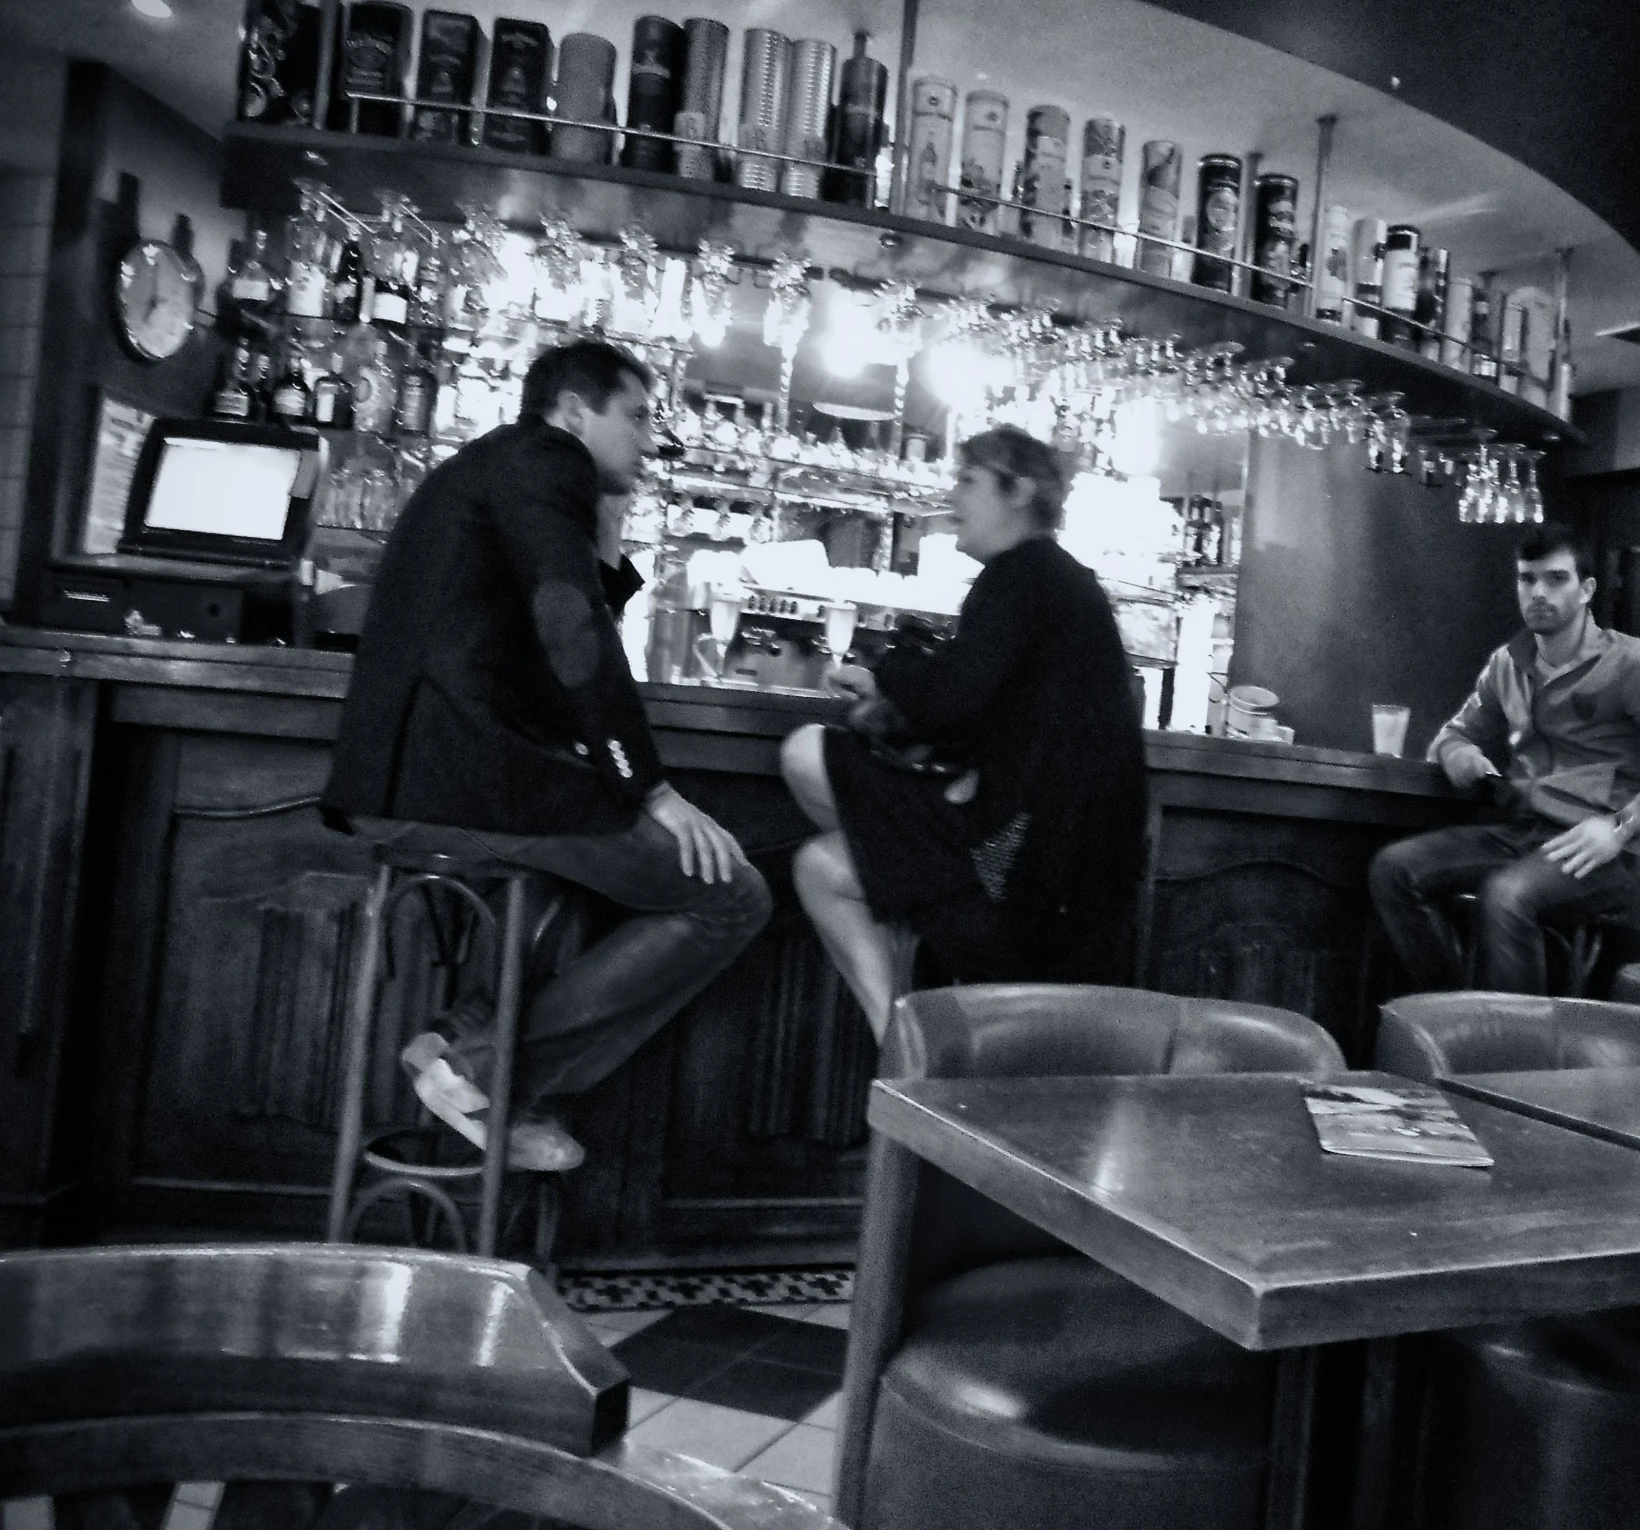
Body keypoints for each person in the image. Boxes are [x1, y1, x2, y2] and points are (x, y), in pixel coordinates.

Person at [323, 340, 770, 1172]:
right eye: (635, 417)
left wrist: (607, 518)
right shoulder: (543, 459)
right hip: (452, 777)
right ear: (572, 413)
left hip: (426, 772)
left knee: (588, 888)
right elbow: (571, 624)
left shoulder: (511, 469)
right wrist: (651, 787)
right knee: (732, 896)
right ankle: (482, 1072)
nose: (650, 438)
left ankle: (460, 1044)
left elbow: (557, 603)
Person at [779, 426, 1148, 1038]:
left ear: (1019, 490)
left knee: (805, 754)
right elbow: (988, 707)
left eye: (968, 480)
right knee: (821, 869)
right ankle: (904, 1047)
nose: (952, 496)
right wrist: (902, 700)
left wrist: (887, 675)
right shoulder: (1057, 581)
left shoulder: (1023, 572)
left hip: (1019, 868)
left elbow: (953, 701)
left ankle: (910, 1042)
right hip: (1065, 878)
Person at [1368, 523, 1640, 994]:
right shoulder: (1507, 664)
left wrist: (1622, 825)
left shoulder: (1632, 663)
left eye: (1555, 579)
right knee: (1394, 869)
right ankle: (1454, 1015)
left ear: (1587, 589)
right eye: (1526, 579)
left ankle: (1515, 1054)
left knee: (1506, 896)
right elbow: (1453, 735)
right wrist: (1461, 752)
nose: (1537, 592)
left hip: (1603, 847)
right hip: (1522, 831)